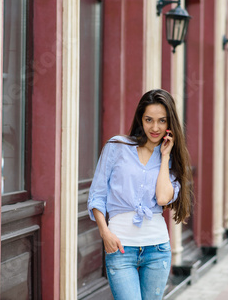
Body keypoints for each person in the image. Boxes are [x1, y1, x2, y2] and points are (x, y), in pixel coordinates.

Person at [87, 89, 193, 300]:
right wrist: (104, 232)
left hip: (157, 250)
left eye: (162, 121)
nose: (155, 127)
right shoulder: (117, 146)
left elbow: (163, 199)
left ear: (169, 123)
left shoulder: (172, 160)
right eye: (149, 120)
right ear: (140, 119)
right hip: (120, 248)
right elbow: (97, 195)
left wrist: (164, 158)